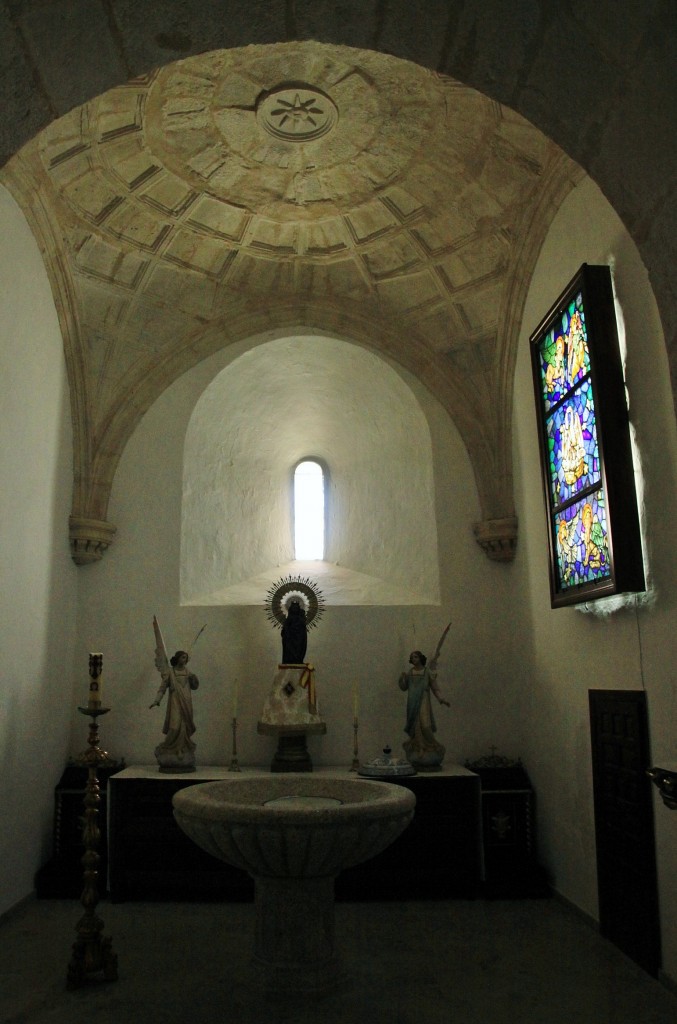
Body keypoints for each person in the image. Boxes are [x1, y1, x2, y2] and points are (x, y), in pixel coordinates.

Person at [399, 649, 450, 769]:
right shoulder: (410, 672)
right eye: (412, 657)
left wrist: (441, 699)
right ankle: (420, 747)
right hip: (412, 703)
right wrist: (401, 679)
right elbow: (404, 687)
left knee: (425, 725)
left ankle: (435, 745)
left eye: (415, 657)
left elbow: (435, 688)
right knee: (416, 725)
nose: (413, 659)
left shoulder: (427, 672)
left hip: (423, 701)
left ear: (421, 658)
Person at [150, 649, 199, 772]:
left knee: (184, 726)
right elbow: (162, 688)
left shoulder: (188, 673)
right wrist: (157, 700)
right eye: (183, 657)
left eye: (186, 658)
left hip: (187, 703)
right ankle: (167, 747)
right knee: (174, 726)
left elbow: (195, 686)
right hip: (175, 703)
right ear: (177, 658)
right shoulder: (170, 673)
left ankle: (181, 749)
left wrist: (194, 678)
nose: (185, 660)